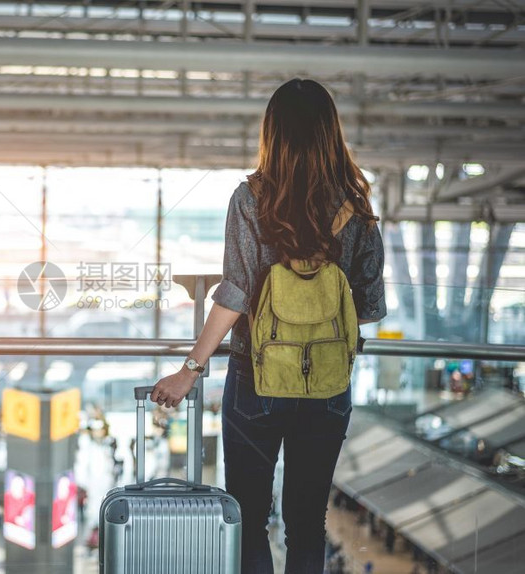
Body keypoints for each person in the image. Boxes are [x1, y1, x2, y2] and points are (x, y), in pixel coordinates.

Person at [151, 78, 386, 573]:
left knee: (249, 516)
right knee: (306, 524)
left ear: (272, 133)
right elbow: (367, 308)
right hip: (326, 383)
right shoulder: (357, 207)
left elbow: (233, 294)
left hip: (256, 378)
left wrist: (188, 370)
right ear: (330, 132)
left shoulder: (252, 199)